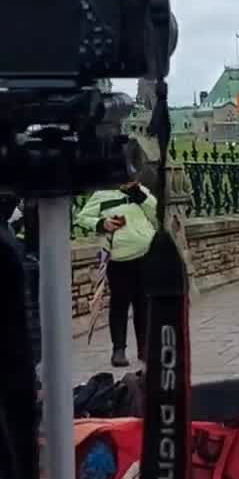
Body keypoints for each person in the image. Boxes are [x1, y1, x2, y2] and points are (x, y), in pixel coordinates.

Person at [75, 142, 158, 367]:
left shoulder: (141, 193)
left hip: (144, 255)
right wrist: (102, 223)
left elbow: (157, 213)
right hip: (119, 258)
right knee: (120, 305)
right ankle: (118, 350)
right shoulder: (103, 194)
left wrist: (139, 194)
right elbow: (81, 217)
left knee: (143, 304)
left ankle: (145, 349)